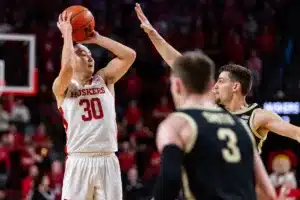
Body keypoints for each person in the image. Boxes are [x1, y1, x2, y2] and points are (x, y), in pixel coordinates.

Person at [134, 3, 300, 154]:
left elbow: (296, 133)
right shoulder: (211, 105)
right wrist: (154, 35)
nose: (214, 86)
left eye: (221, 81)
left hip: (241, 185)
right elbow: (181, 65)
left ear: (235, 86)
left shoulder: (257, 117)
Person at [152, 50, 276, 200]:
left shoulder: (177, 124)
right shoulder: (240, 125)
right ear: (211, 85)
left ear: (177, 85)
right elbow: (267, 193)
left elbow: (170, 180)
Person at [53, 11, 136, 200]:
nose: (90, 58)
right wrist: (67, 35)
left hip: (107, 159)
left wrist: (98, 39)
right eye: (83, 54)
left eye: (90, 54)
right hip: (79, 160)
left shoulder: (104, 79)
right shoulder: (62, 87)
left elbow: (129, 55)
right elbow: (66, 68)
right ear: (72, 58)